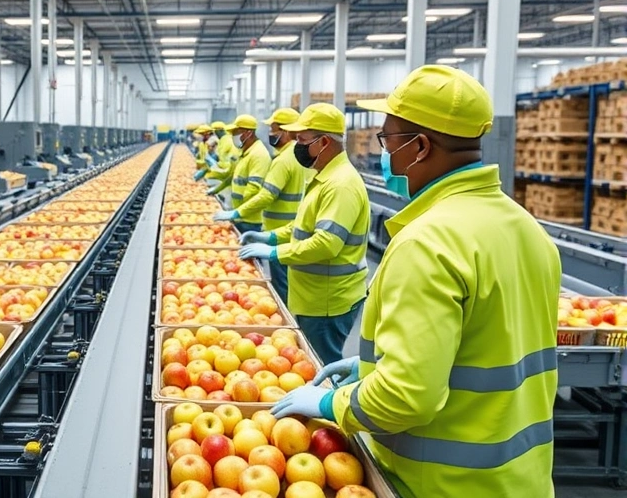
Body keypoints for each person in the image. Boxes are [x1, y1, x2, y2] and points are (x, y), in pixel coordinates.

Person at [271, 66, 561, 498]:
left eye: (388, 141)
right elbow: (486, 342)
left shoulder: (428, 243)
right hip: (519, 479)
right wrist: (371, 366)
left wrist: (334, 404)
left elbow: (406, 398)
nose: (384, 153)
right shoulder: (527, 228)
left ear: (420, 147)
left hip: (442, 482)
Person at [238, 103, 369, 363]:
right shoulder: (322, 177)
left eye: (301, 139)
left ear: (323, 143)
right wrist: (271, 237)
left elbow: (325, 244)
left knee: (322, 364)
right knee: (312, 360)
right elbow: (303, 227)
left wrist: (276, 253)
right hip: (315, 296)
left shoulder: (340, 185)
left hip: (328, 300)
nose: (296, 145)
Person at [217, 108, 310, 301]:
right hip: (292, 229)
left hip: (279, 230)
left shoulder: (283, 160)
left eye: (274, 130)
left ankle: (286, 322)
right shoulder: (301, 158)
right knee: (289, 281)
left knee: (282, 282)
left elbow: (266, 195)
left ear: (286, 131)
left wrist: (236, 213)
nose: (270, 134)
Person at [209, 115, 270, 233]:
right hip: (241, 216)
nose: (233, 137)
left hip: (250, 220)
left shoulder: (258, 154)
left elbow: (254, 189)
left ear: (248, 133)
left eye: (236, 132)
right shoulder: (245, 152)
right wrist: (217, 189)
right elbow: (234, 178)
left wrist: (238, 212)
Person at [204, 121, 239, 189]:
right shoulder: (224, 139)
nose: (214, 134)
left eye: (215, 132)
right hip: (226, 169)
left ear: (220, 131)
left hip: (228, 169)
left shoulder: (226, 140)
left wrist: (215, 164)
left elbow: (222, 156)